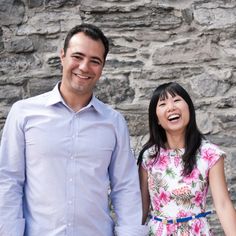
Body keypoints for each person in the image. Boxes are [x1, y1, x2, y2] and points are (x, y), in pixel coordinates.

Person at [0, 23, 148, 236]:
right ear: (63, 56)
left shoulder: (114, 123)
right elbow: (9, 181)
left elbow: (125, 188)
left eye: (94, 61)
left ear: (102, 67)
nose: (84, 67)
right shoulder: (23, 113)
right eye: (77, 56)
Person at [138, 82, 236, 235]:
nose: (171, 107)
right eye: (163, 104)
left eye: (177, 100)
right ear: (156, 118)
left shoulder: (210, 154)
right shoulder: (149, 156)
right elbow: (142, 209)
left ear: (189, 108)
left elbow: (223, 204)